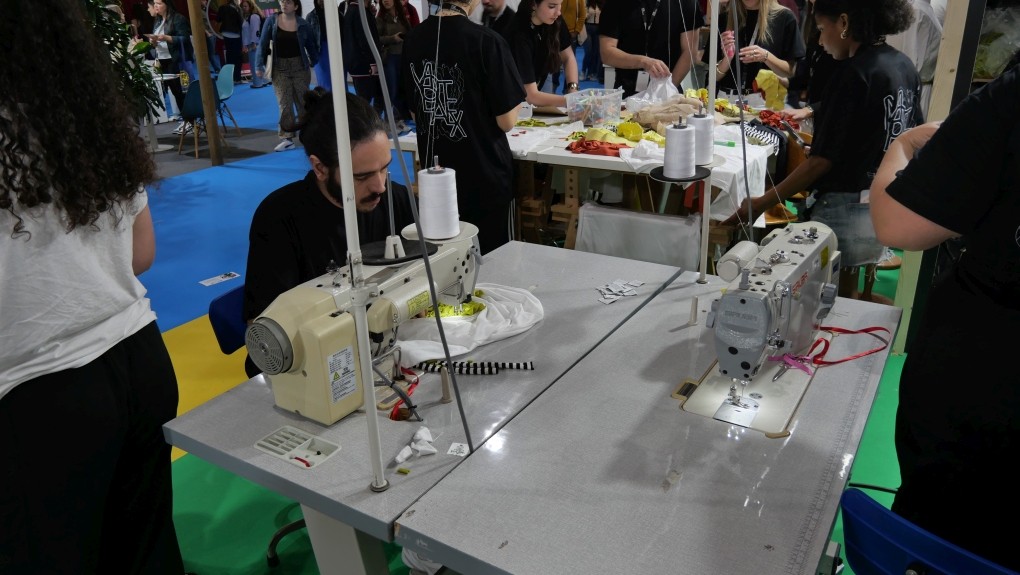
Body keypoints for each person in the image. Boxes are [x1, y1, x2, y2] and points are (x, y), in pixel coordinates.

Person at [0, 0, 184, 572]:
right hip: (138, 358)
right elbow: (141, 253)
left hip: (39, 393)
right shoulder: (84, 115)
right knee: (146, 552)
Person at [868, 56, 1020, 573]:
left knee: (942, 540)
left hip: (986, 387)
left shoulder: (1009, 99)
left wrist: (903, 145)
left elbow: (897, 225)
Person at [722, 0, 921, 301]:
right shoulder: (902, 66)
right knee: (848, 295)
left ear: (844, 23)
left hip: (844, 204)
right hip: (881, 199)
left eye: (820, 28)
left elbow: (820, 162)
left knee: (827, 300)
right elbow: (905, 134)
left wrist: (763, 201)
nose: (819, 40)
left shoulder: (853, 74)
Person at [243, 89, 417, 376]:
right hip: (308, 370)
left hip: (380, 353)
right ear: (320, 167)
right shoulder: (278, 220)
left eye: (384, 168)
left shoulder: (395, 200)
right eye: (362, 176)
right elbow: (265, 328)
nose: (379, 186)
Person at [401, 0, 525, 254]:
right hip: (484, 175)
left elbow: (415, 111)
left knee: (446, 261)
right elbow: (506, 121)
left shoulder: (413, 39)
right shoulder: (487, 41)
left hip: (437, 177)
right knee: (494, 261)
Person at [599, 0, 704, 97]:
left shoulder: (685, 2)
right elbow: (607, 53)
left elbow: (690, 53)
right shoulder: (615, 3)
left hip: (668, 92)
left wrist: (666, 90)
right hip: (626, 92)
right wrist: (643, 62)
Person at [255, 0, 320, 152]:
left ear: (296, 6)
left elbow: (311, 45)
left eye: (288, 2)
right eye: (282, 1)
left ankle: (308, 135)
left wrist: (314, 60)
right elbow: (262, 43)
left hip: (300, 67)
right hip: (279, 68)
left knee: (303, 103)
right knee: (284, 104)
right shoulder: (271, 21)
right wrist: (258, 65)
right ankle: (287, 138)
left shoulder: (303, 24)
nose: (284, 4)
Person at [714, 0, 805, 99]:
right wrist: (727, 59)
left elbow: (790, 72)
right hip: (727, 99)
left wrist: (766, 56)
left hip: (766, 100)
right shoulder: (724, 18)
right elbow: (712, 77)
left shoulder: (784, 17)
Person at [504, 0, 581, 108]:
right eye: (552, 6)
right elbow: (531, 96)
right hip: (511, 101)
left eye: (560, 5)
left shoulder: (554, 20)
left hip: (537, 84)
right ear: (534, 4)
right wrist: (572, 101)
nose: (558, 12)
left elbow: (568, 57)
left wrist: (573, 89)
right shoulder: (518, 33)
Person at [145, 0, 191, 134]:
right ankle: (186, 120)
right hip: (163, 60)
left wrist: (166, 38)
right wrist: (153, 41)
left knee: (182, 91)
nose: (156, 6)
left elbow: (184, 39)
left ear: (167, 4)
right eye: (155, 3)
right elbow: (157, 43)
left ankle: (190, 121)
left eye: (159, 3)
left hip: (176, 60)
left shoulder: (178, 18)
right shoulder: (158, 20)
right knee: (175, 92)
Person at [343, 0, 387, 116]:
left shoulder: (357, 10)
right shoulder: (358, 12)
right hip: (364, 64)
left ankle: (373, 122)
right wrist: (372, 63)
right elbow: (364, 40)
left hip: (360, 63)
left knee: (375, 96)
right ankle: (369, 124)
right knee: (367, 100)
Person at [377, 0, 413, 128]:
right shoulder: (381, 18)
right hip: (390, 57)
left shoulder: (403, 16)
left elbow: (411, 32)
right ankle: (389, 121)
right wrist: (392, 38)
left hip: (404, 57)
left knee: (404, 89)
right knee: (391, 90)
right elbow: (376, 38)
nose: (386, 1)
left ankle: (403, 118)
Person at [306, 0, 344, 91]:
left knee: (340, 82)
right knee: (325, 83)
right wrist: (311, 57)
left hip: (338, 49)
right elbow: (308, 40)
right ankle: (327, 99)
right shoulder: (311, 16)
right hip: (320, 51)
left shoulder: (338, 14)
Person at [242, 0, 269, 88]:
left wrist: (254, 43)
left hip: (254, 43)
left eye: (245, 6)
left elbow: (255, 31)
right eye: (243, 6)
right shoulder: (250, 16)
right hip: (254, 43)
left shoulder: (253, 17)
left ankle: (258, 83)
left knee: (254, 64)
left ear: (251, 6)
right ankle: (265, 80)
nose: (244, 8)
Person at [218, 0, 246, 83]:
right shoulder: (238, 9)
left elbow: (218, 19)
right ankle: (237, 78)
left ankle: (231, 78)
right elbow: (240, 22)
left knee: (230, 57)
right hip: (236, 34)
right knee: (238, 57)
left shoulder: (222, 8)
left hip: (226, 33)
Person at [581, 0, 602, 82]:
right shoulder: (587, 3)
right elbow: (582, 16)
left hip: (598, 28)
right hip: (588, 28)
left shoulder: (601, 4)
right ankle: (583, 70)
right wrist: (588, 14)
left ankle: (592, 72)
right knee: (588, 51)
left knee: (595, 52)